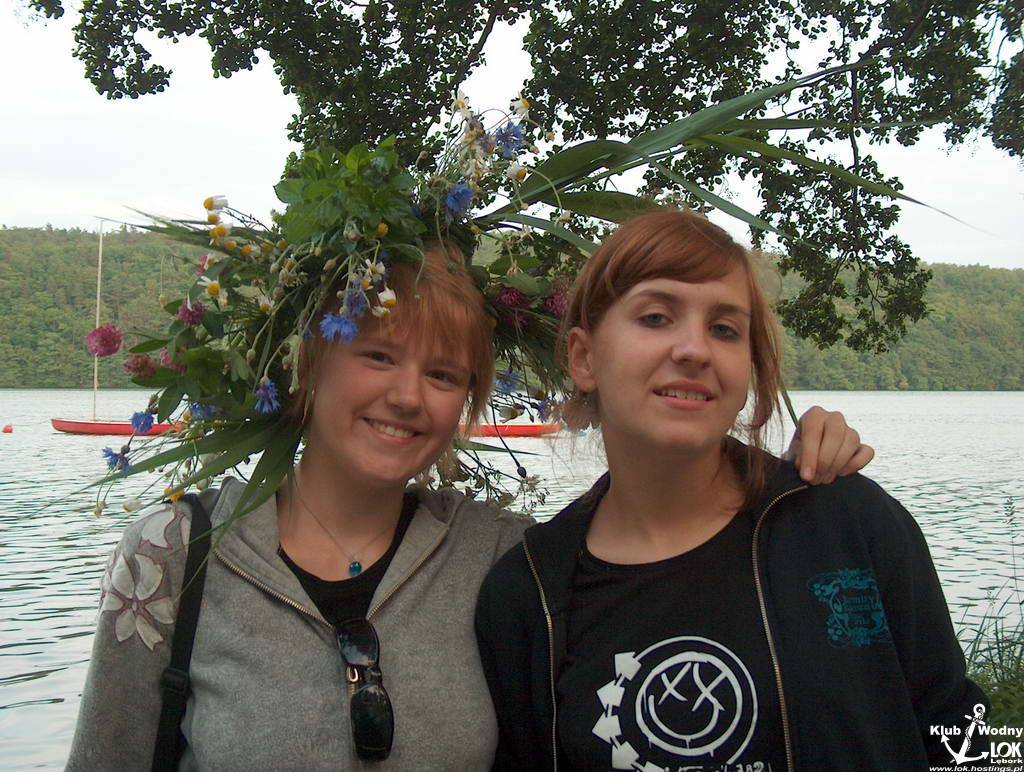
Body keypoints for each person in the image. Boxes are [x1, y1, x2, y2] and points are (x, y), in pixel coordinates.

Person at [67, 234, 871, 770]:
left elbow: (672, 558)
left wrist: (788, 470)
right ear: (311, 362)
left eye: (445, 374)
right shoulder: (177, 555)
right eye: (378, 355)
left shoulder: (509, 561)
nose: (408, 396)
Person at [475, 209, 988, 771]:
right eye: (655, 317)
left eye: (724, 329)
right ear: (584, 357)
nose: (694, 350)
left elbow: (965, 737)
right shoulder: (530, 594)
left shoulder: (846, 524)